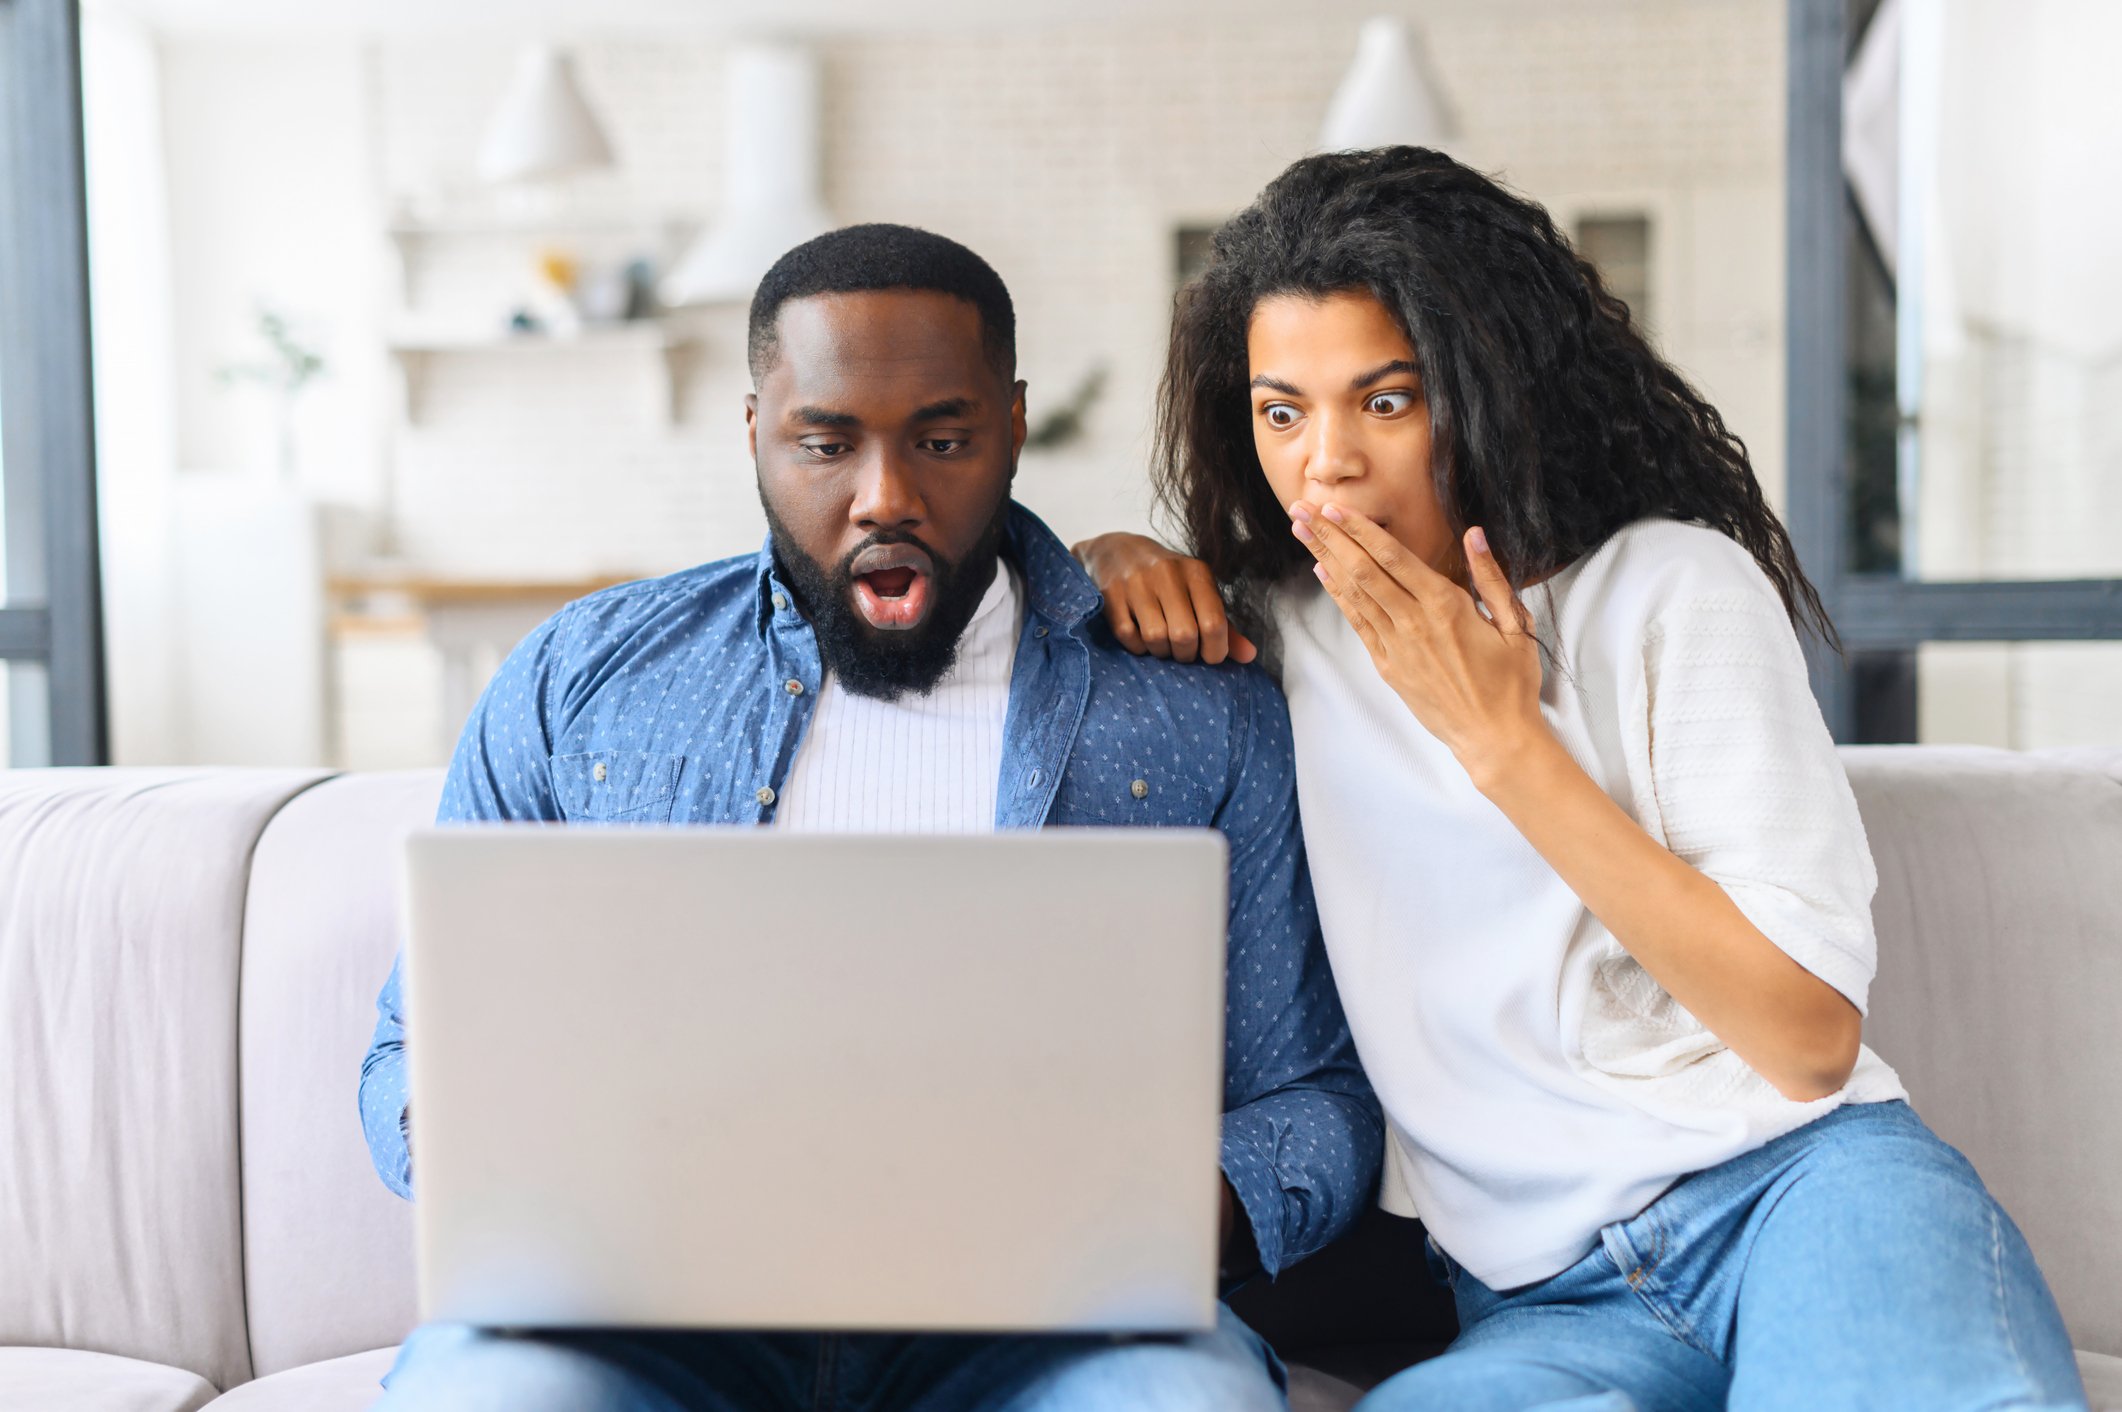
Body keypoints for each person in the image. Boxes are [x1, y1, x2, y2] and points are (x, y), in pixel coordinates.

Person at [1074, 147, 2087, 1412]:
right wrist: (1107, 553)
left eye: (1384, 402)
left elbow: (1807, 1039)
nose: (1323, 463)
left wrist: (1506, 745)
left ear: (1486, 388)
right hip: (1537, 1299)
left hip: (1799, 1199)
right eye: (1283, 411)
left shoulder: (1674, 589)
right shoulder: (1271, 636)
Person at [357, 223, 1382, 1412]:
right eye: (825, 442)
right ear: (755, 432)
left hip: (1050, 1329)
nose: (884, 496)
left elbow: (1317, 1093)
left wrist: (1148, 1209)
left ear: (1011, 425)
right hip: (641, 1319)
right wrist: (476, 1147)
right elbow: (404, 1052)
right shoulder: (580, 678)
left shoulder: (1192, 712)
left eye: (942, 440)